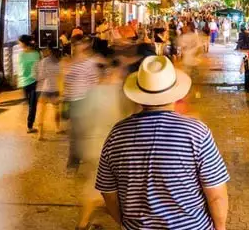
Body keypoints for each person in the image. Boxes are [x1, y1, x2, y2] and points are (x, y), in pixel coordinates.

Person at [96, 56, 229, 229]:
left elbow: (108, 192)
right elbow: (216, 195)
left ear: (139, 96)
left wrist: (124, 223)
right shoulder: (196, 133)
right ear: (175, 94)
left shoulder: (117, 134)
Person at [76, 57, 139, 230]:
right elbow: (128, 119)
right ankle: (83, 224)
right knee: (98, 188)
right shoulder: (120, 93)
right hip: (110, 147)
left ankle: (97, 218)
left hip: (92, 144)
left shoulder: (92, 93)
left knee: (102, 186)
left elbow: (81, 120)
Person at [62, 37, 101, 170]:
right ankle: (74, 162)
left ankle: (75, 161)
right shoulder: (70, 62)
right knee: (75, 133)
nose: (77, 47)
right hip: (72, 100)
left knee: (79, 132)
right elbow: (66, 83)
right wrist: (64, 98)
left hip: (84, 100)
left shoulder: (89, 63)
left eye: (80, 44)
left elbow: (94, 82)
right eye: (75, 44)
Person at [36, 43, 62, 139]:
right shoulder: (58, 62)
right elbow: (59, 75)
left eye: (45, 50)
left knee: (41, 112)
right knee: (56, 109)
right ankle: (57, 128)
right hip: (55, 89)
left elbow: (40, 76)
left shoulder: (43, 62)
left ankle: (40, 134)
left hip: (46, 89)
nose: (43, 52)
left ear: (49, 51)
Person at [18, 35, 41, 134]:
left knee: (30, 105)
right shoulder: (36, 54)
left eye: (19, 42)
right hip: (33, 81)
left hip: (25, 82)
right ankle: (30, 126)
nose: (19, 44)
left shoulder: (21, 55)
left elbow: (20, 70)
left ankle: (30, 124)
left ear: (24, 43)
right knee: (32, 106)